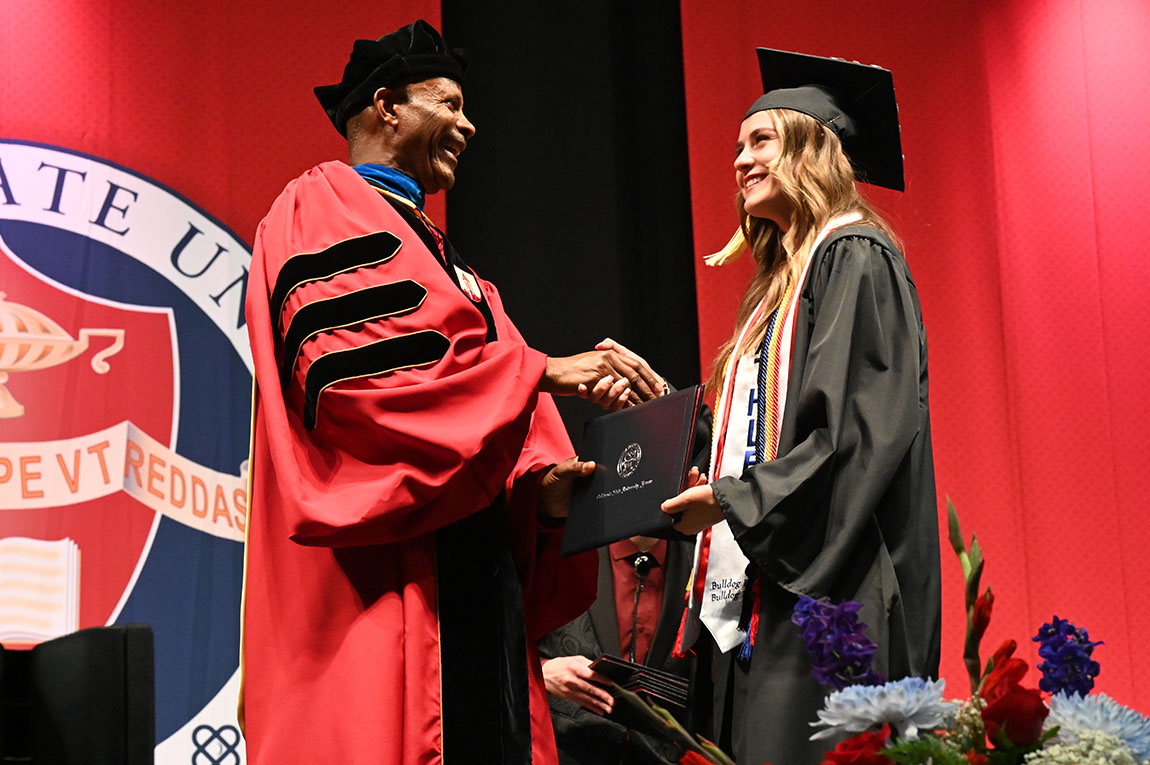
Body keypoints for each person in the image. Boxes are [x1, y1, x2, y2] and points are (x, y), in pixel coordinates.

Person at [240, 20, 665, 765]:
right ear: (386, 105)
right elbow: (359, 390)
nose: (469, 125)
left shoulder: (450, 262)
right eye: (449, 102)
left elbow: (480, 436)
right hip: (383, 581)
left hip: (474, 595)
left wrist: (548, 496)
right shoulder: (321, 207)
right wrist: (543, 369)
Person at [661, 49, 942, 764]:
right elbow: (762, 433)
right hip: (773, 578)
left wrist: (731, 500)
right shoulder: (778, 288)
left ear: (815, 147)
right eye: (737, 148)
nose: (741, 160)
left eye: (760, 141)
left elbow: (852, 435)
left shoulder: (854, 256)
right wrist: (664, 416)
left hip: (833, 588)